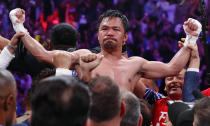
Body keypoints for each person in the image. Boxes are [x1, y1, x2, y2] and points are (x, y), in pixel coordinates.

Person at [10, 9, 201, 94]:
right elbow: (44, 55)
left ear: (125, 37)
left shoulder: (136, 64)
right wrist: (19, 28)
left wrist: (191, 38)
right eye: (104, 29)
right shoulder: (82, 56)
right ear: (98, 35)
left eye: (116, 29)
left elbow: (172, 68)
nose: (109, 33)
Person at [140, 40, 200, 126]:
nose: (174, 81)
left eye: (179, 77)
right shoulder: (157, 100)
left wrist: (194, 56)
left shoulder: (199, 102)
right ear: (165, 87)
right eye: (170, 78)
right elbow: (134, 83)